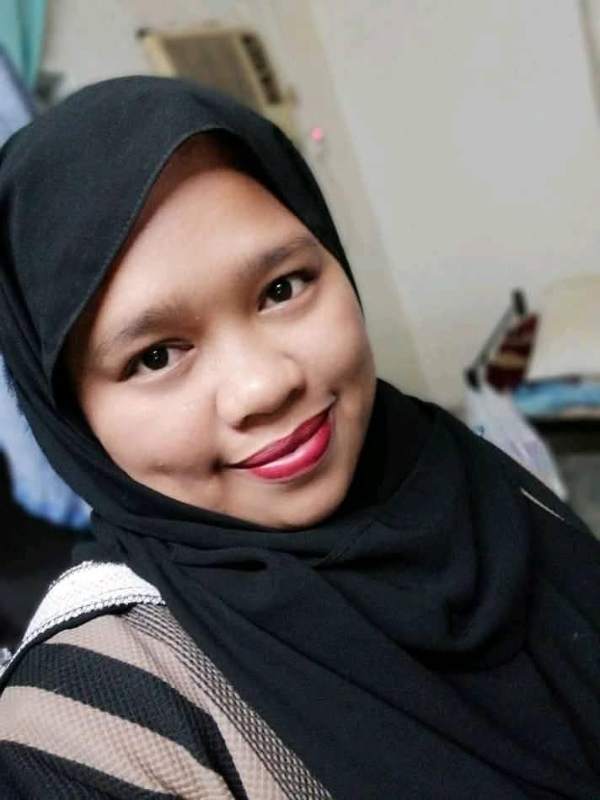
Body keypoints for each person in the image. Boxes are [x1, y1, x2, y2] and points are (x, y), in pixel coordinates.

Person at [0, 76, 598, 800]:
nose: (264, 386)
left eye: (282, 288)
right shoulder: (90, 725)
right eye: (155, 356)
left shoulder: (468, 480)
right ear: (71, 416)